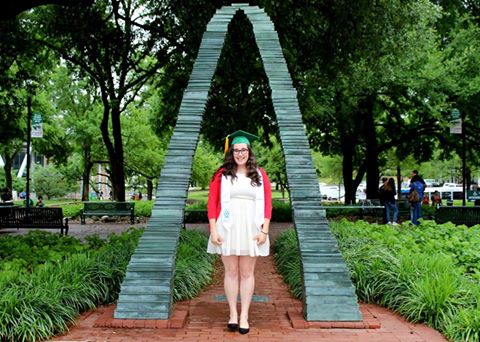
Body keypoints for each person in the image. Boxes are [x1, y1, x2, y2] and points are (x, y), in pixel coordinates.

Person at [207, 130, 272, 335]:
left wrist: (264, 231)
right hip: (227, 226)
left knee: (246, 272)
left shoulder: (260, 174)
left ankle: (244, 315)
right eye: (236, 150)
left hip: (251, 227)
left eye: (243, 150)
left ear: (249, 151)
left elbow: (268, 204)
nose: (240, 154)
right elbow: (212, 203)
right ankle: (232, 314)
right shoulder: (222, 174)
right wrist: (213, 229)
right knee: (231, 272)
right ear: (231, 152)